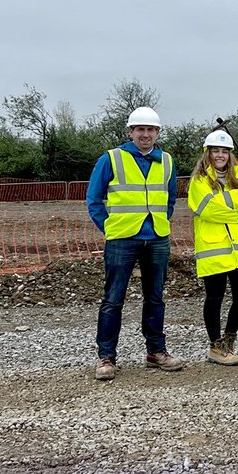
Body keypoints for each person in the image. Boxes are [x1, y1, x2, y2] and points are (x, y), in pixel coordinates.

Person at [86, 106, 182, 380]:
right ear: (130, 131)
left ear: (157, 133)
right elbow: (94, 200)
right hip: (122, 240)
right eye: (140, 129)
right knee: (113, 299)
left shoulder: (167, 161)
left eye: (150, 130)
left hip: (157, 239)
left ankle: (156, 351)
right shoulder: (111, 159)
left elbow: (170, 197)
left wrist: (162, 222)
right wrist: (110, 227)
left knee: (155, 297)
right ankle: (106, 357)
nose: (145, 134)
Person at [188, 128, 238, 366]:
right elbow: (207, 209)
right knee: (215, 297)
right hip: (214, 248)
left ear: (230, 155)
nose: (220, 155)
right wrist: (237, 212)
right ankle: (215, 346)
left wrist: (224, 203)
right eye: (215, 151)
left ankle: (228, 340)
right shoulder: (199, 181)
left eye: (224, 151)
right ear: (207, 154)